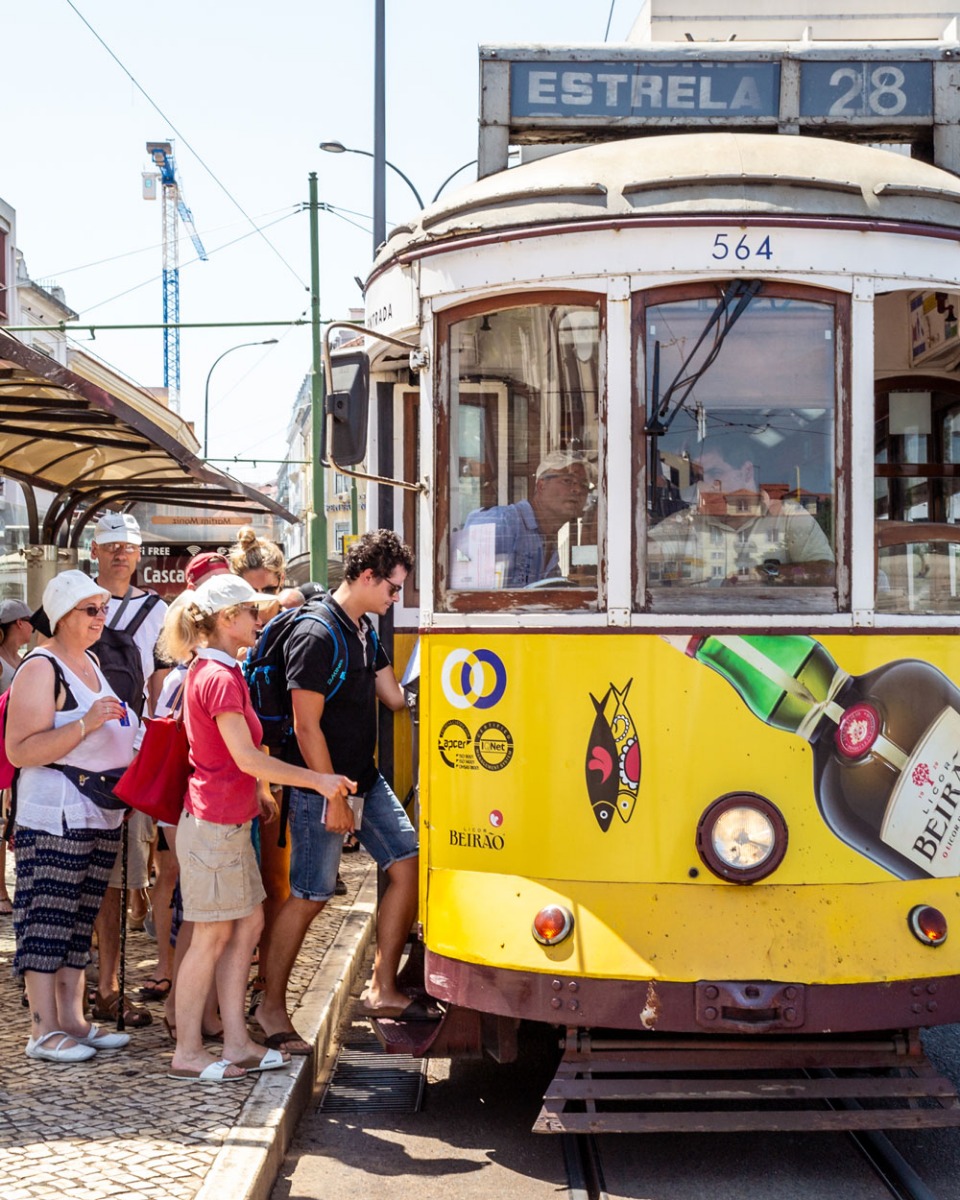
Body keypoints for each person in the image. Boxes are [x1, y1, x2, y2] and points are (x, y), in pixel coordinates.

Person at [160, 573, 355, 1082]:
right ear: (227, 621)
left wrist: (263, 792)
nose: (258, 619)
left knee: (245, 925)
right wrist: (318, 779)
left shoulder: (218, 669)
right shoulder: (219, 677)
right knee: (211, 935)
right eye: (249, 612)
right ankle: (187, 1051)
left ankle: (237, 1042)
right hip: (215, 825)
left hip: (225, 820)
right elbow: (246, 758)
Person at [255, 529, 426, 1049]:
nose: (395, 599)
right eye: (393, 589)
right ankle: (270, 1009)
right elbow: (307, 728)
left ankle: (382, 987)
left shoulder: (362, 628)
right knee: (310, 895)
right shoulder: (316, 633)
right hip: (320, 786)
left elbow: (393, 697)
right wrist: (332, 796)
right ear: (368, 577)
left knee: (407, 863)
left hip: (362, 779)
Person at [5, 571, 138, 1062]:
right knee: (47, 918)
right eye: (90, 610)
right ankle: (43, 1030)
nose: (100, 618)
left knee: (79, 919)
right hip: (54, 816)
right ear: (62, 614)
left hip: (96, 814)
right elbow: (20, 749)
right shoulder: (41, 667)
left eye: (103, 609)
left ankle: (73, 1020)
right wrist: (87, 723)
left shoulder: (90, 661)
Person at [87, 512, 169, 1029]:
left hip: (129, 750)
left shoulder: (158, 611)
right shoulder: (72, 596)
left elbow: (158, 682)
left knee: (120, 875)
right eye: (112, 545)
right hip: (73, 750)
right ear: (95, 550)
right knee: (74, 874)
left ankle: (109, 986)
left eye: (129, 547)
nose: (121, 554)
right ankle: (67, 981)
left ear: (139, 554)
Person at [647, 438, 836, 588]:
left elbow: (827, 573)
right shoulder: (687, 522)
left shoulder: (787, 517)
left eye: (715, 472)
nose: (705, 486)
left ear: (746, 472)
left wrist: (762, 575)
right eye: (699, 477)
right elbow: (642, 558)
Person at [462, 450, 594, 587]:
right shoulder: (503, 522)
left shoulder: (548, 539)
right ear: (541, 485)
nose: (578, 489)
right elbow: (464, 593)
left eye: (584, 485)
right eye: (568, 481)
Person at [0, 599, 34, 917]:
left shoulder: (21, 659)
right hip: (2, 750)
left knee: (5, 823)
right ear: (18, 624)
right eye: (29, 619)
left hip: (13, 752)